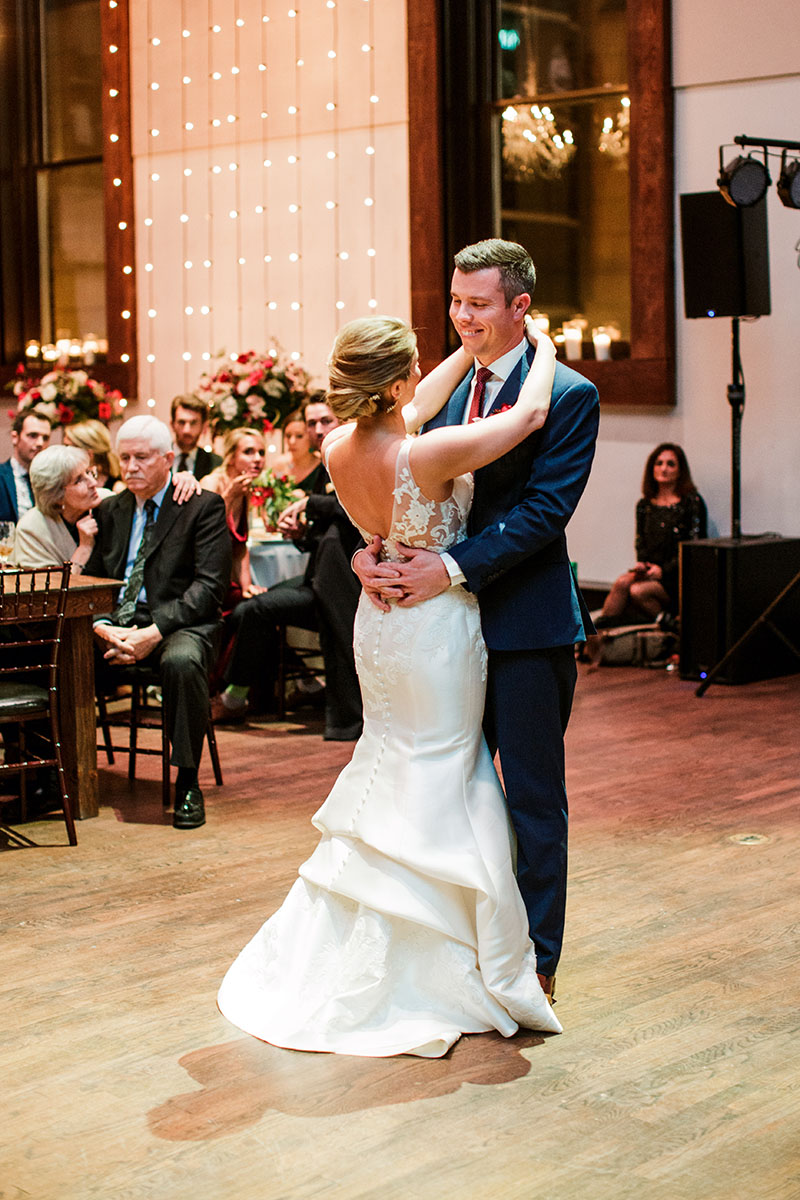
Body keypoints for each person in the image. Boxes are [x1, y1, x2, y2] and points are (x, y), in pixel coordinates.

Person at [218, 310, 564, 1058]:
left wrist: (459, 351)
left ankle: (391, 920)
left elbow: (419, 396)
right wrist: (546, 347)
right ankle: (445, 952)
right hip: (435, 625)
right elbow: (533, 412)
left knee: (392, 757)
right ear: (397, 382)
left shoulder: (342, 447)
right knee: (444, 766)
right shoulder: (430, 453)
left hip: (379, 627)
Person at [352, 239, 600, 1000]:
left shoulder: (568, 395)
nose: (463, 318)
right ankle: (462, 948)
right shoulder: (441, 391)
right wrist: (366, 554)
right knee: (456, 790)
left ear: (520, 306)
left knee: (529, 796)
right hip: (439, 633)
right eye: (455, 302)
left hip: (525, 625)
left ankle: (538, 963)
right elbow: (382, 464)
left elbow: (542, 512)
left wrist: (451, 567)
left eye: (479, 304)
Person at [86, 416, 231, 830]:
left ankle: (188, 782)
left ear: (168, 459)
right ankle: (56, 777)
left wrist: (154, 631)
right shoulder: (110, 509)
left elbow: (208, 589)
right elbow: (93, 580)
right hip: (117, 623)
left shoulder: (201, 505)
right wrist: (98, 625)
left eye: (142, 458)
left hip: (179, 622)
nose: (130, 467)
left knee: (182, 662)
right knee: (61, 652)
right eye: (124, 458)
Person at [213, 398, 363, 740]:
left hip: (344, 587)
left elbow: (354, 513)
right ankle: (266, 691)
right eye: (312, 423)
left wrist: (311, 504)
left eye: (325, 421)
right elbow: (327, 536)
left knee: (255, 608)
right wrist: (302, 534)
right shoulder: (326, 464)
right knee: (251, 606)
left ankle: (235, 697)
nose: (317, 429)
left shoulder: (352, 457)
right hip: (319, 579)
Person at [594, 442, 707, 629]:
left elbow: (693, 547)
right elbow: (640, 542)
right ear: (651, 469)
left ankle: (671, 625)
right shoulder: (644, 505)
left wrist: (663, 571)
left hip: (678, 575)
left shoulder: (691, 502)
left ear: (680, 471)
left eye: (670, 464)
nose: (664, 468)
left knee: (638, 591)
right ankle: (597, 635)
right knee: (622, 582)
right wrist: (642, 564)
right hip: (651, 571)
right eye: (659, 463)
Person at [201, 427, 267, 608]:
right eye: (248, 452)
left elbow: (240, 547)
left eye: (261, 453)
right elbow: (203, 531)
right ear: (230, 457)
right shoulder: (211, 482)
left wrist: (247, 586)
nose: (258, 459)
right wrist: (229, 495)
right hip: (203, 579)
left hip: (227, 579)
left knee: (260, 603)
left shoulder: (245, 492)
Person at [13, 445, 101, 572]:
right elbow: (50, 589)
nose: (93, 483)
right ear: (57, 496)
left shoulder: (107, 503)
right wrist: (84, 548)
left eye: (88, 472)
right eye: (79, 480)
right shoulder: (31, 529)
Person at [0, 409, 52, 522]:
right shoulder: (1, 476)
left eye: (45, 438)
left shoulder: (52, 480)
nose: (40, 443)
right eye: (33, 435)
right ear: (15, 437)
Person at [270, 407, 325, 493]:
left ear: (310, 436)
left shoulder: (321, 465)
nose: (292, 442)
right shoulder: (281, 465)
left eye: (299, 436)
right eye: (288, 436)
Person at [62, 420, 126, 493]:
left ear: (89, 454)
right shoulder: (66, 484)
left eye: (68, 447)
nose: (64, 453)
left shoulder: (117, 490)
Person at [170, 394, 221, 479]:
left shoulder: (215, 463)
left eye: (193, 423)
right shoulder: (159, 458)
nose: (187, 430)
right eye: (182, 422)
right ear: (172, 425)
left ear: (204, 427)